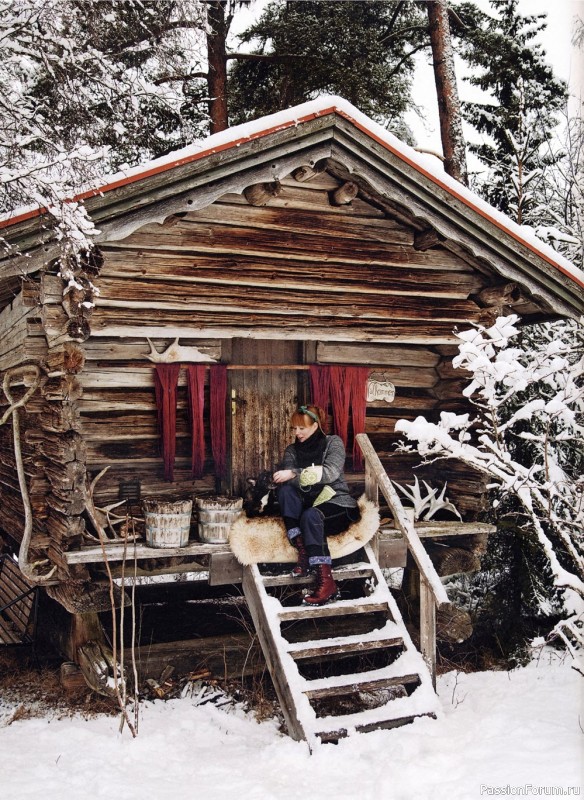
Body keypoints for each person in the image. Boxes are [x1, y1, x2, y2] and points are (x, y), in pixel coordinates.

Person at [272, 405, 360, 605]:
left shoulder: (333, 443)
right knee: (285, 492)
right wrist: (294, 476)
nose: (297, 433)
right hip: (309, 506)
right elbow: (290, 482)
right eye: (294, 428)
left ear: (315, 425)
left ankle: (327, 583)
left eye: (302, 428)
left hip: (336, 503)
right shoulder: (292, 450)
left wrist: (295, 473)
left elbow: (329, 473)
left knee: (311, 515)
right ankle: (303, 549)